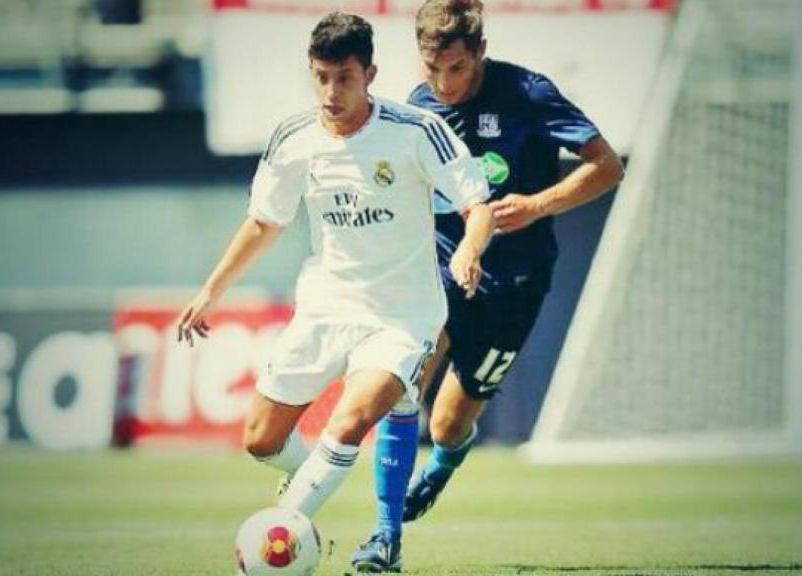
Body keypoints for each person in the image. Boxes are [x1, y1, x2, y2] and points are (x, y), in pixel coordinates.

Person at [176, 11, 494, 522]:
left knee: (347, 423)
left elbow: (477, 204)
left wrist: (469, 248)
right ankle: (316, 483)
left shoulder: (417, 130)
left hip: (402, 316)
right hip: (325, 308)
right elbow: (263, 222)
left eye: (343, 77)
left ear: (369, 74)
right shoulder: (295, 139)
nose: (330, 91)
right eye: (320, 77)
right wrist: (211, 291)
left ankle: (285, 529)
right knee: (260, 440)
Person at [351, 0, 625, 570]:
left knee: (449, 423)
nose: (444, 84)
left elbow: (606, 165)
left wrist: (537, 205)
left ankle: (442, 467)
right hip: (443, 267)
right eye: (433, 70)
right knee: (403, 385)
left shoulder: (529, 93)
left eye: (456, 68)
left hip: (515, 282)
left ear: (479, 52)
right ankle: (384, 537)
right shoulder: (420, 105)